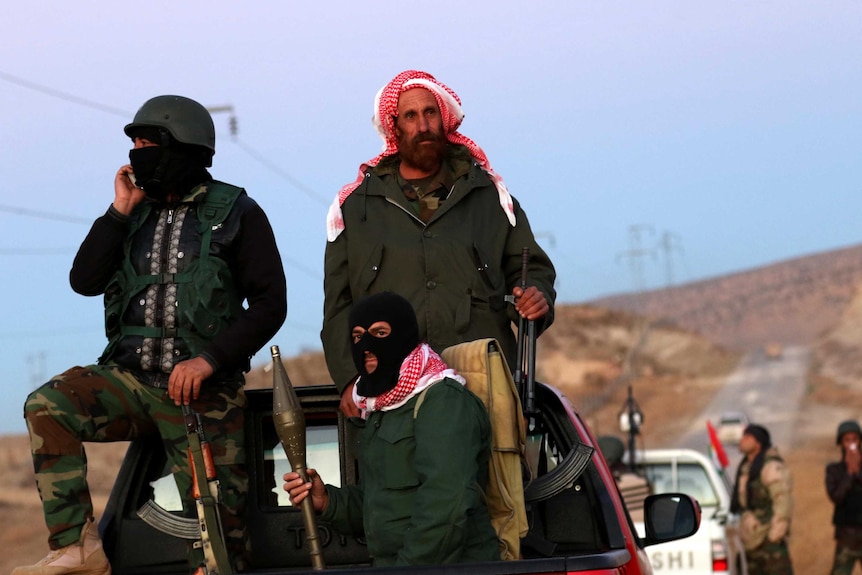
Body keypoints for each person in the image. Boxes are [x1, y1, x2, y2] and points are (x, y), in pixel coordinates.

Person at [15, 95, 287, 575]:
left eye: (147, 143)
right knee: (48, 405)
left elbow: (270, 306)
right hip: (132, 382)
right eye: (135, 143)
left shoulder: (238, 212)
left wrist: (208, 361)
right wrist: (119, 211)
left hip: (204, 395)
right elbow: (84, 280)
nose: (136, 153)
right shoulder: (131, 215)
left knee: (222, 550)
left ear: (182, 147)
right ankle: (77, 547)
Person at [322, 69, 556, 417]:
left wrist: (536, 296)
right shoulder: (356, 208)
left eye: (430, 113)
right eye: (410, 116)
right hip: (391, 387)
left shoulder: (488, 197)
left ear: (443, 119)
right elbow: (339, 305)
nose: (422, 126)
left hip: (481, 384)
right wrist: (348, 380)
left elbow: (530, 268)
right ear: (394, 126)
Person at [285, 292, 500, 567]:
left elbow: (447, 505)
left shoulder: (442, 400)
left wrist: (406, 570)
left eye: (380, 333)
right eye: (358, 337)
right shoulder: (383, 409)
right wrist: (327, 501)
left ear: (404, 336)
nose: (366, 346)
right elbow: (382, 502)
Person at [730, 423, 794, 574]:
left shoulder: (770, 466)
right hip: (752, 542)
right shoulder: (745, 468)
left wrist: (775, 535)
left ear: (758, 442)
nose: (742, 440)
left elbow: (783, 500)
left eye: (747, 436)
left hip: (770, 543)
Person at [826, 420, 862, 574]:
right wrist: (849, 474)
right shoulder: (834, 470)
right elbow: (836, 497)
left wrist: (858, 471)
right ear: (841, 443)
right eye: (847, 440)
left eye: (854, 439)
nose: (851, 444)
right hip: (846, 535)